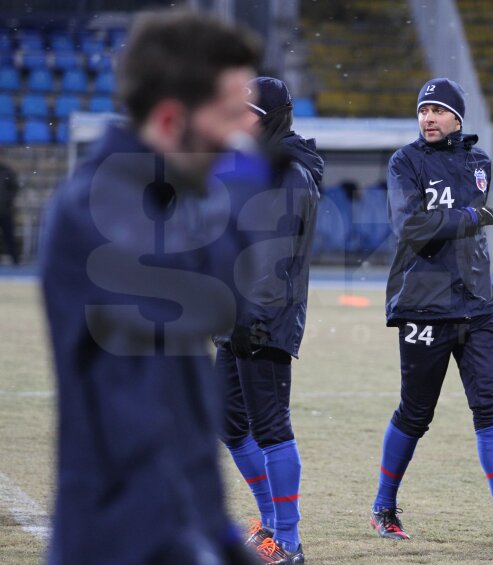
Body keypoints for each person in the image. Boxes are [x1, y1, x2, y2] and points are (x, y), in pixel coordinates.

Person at [39, 11, 267, 565]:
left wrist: (218, 533)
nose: (245, 133)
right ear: (169, 122)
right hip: (123, 539)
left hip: (182, 527)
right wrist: (244, 187)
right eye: (230, 116)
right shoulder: (93, 212)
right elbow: (216, 292)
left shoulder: (172, 200)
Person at [369, 77, 493, 546]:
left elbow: (459, 230)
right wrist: (471, 218)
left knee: (492, 407)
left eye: (436, 110)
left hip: (478, 306)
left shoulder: (478, 163)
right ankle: (382, 507)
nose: (427, 117)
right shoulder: (404, 162)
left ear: (457, 117)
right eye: (421, 110)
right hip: (424, 306)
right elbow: (412, 227)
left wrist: (471, 226)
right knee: (415, 412)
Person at [214, 76, 322, 565]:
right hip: (233, 317)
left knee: (272, 427)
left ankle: (290, 543)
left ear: (272, 118)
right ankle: (270, 523)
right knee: (229, 421)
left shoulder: (288, 174)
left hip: (262, 320)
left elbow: (274, 261)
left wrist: (252, 317)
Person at [0, 153, 20, 265]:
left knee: (9, 235)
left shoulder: (8, 172)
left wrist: (8, 200)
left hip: (5, 210)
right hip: (5, 209)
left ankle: (15, 259)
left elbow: (14, 188)